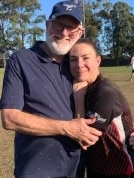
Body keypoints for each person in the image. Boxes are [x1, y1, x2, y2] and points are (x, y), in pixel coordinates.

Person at [0, 1, 103, 178]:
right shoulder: (21, 60)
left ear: (80, 32)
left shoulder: (79, 65)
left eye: (71, 28)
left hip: (76, 169)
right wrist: (66, 128)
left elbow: (106, 102)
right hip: (35, 171)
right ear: (48, 25)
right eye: (58, 24)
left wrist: (128, 131)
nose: (64, 33)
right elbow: (9, 118)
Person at [69, 38, 134, 178]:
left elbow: (85, 139)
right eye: (73, 59)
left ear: (98, 61)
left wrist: (78, 97)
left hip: (118, 169)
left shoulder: (104, 91)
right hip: (97, 167)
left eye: (85, 58)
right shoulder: (89, 87)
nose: (79, 64)